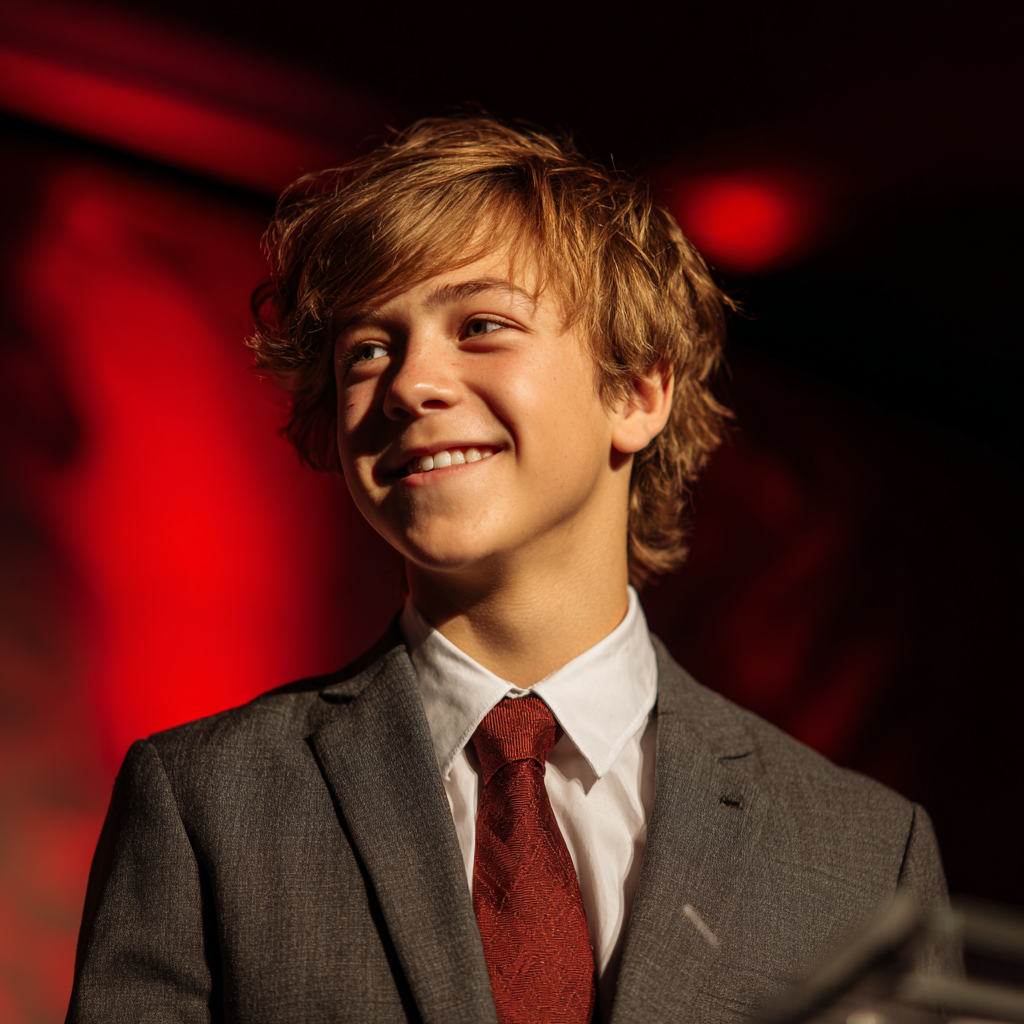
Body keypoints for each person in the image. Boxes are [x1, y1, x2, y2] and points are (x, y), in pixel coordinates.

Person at [66, 114, 958, 1024]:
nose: (412, 382)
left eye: (482, 325)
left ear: (639, 392)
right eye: (368, 350)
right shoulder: (207, 801)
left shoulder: (864, 854)